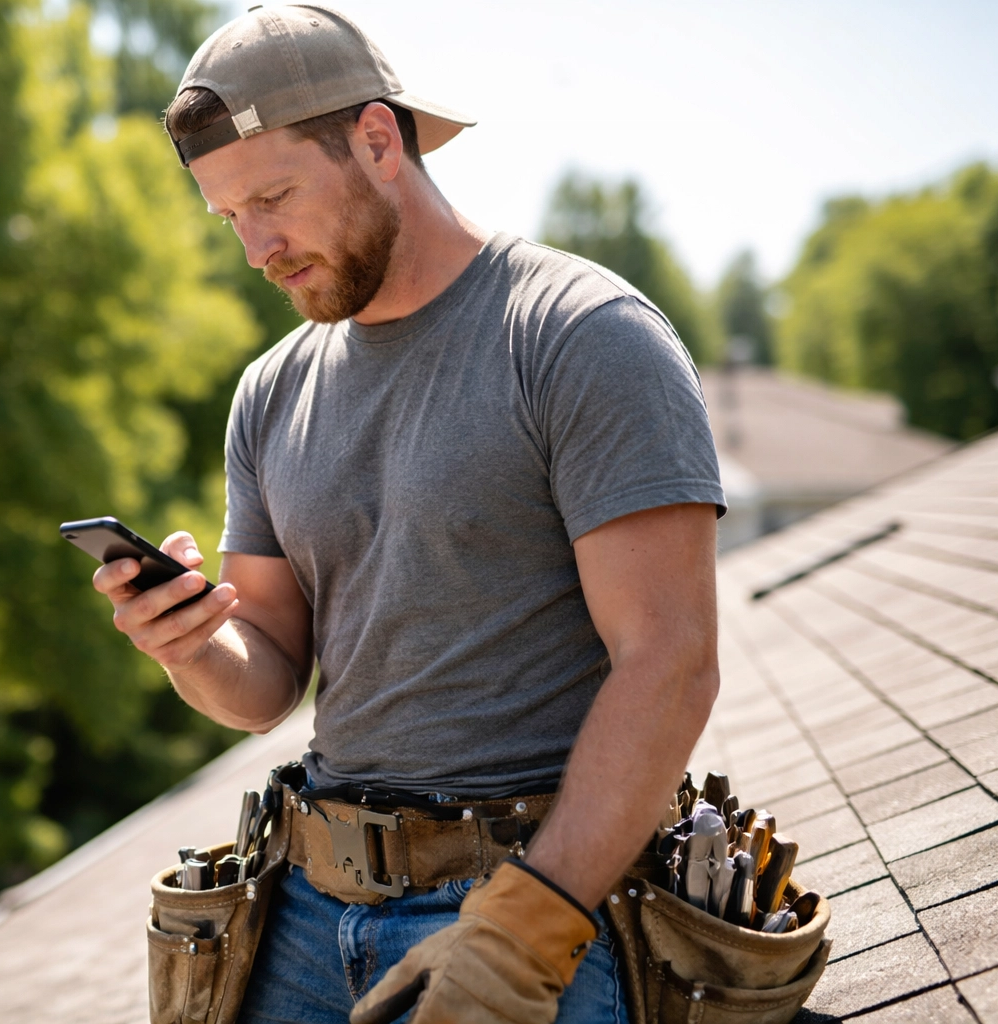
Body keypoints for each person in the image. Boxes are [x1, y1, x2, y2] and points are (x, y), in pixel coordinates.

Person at [93, 6, 724, 1023]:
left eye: (275, 197)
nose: (257, 246)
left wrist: (522, 934)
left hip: (546, 906)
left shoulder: (578, 336)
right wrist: (186, 643)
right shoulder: (269, 392)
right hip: (300, 913)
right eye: (230, 217)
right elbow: (267, 681)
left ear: (380, 142)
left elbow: (673, 658)